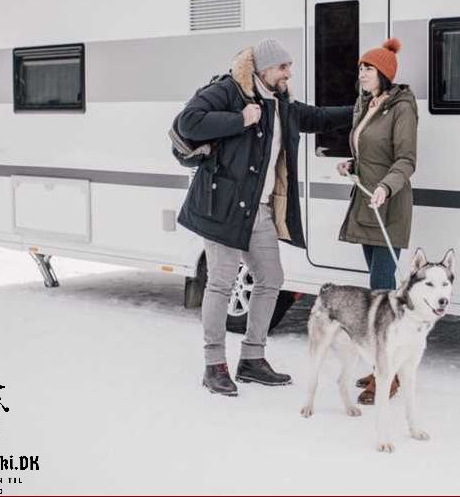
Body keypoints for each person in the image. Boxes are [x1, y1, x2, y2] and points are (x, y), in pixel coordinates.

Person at [177, 39, 353, 397]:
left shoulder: (280, 103)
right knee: (221, 284)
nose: (289, 73)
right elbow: (188, 122)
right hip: (222, 205)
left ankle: (252, 359)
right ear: (263, 70)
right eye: (283, 67)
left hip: (258, 211)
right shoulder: (229, 91)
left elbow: (317, 118)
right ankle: (214, 365)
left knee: (271, 278)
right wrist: (240, 119)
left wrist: (362, 109)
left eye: (289, 66)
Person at [336, 37, 419, 404]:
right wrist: (351, 164)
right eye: (360, 68)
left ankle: (389, 376)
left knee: (384, 296)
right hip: (366, 203)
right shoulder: (366, 104)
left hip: (389, 205)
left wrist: (386, 186)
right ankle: (380, 367)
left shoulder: (401, 108)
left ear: (384, 73)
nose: (361, 74)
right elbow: (369, 150)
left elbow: (406, 160)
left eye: (367, 68)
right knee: (378, 291)